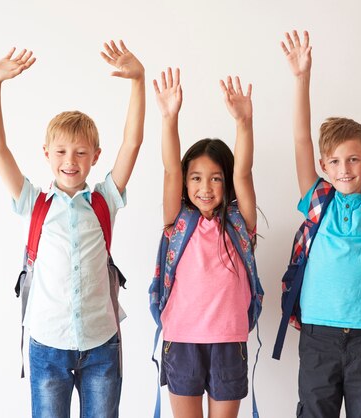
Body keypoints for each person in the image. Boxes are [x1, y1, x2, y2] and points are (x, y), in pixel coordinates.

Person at [0, 40, 145, 418]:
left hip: (101, 346)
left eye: (80, 152)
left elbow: (133, 143)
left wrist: (138, 81)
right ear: (46, 154)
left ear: (95, 156)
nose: (70, 161)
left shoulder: (104, 199)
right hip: (47, 345)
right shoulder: (34, 202)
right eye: (60, 151)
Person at [280, 30, 361, 418]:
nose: (344, 169)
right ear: (323, 166)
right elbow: (302, 140)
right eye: (334, 161)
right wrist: (302, 78)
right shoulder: (318, 201)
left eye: (352, 159)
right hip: (319, 335)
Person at [152, 67, 258, 418]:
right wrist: (169, 119)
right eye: (196, 178)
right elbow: (170, 170)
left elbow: (243, 171)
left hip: (229, 342)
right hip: (181, 340)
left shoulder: (240, 225)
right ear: (186, 183)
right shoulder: (178, 222)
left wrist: (244, 123)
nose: (206, 188)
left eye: (215, 178)